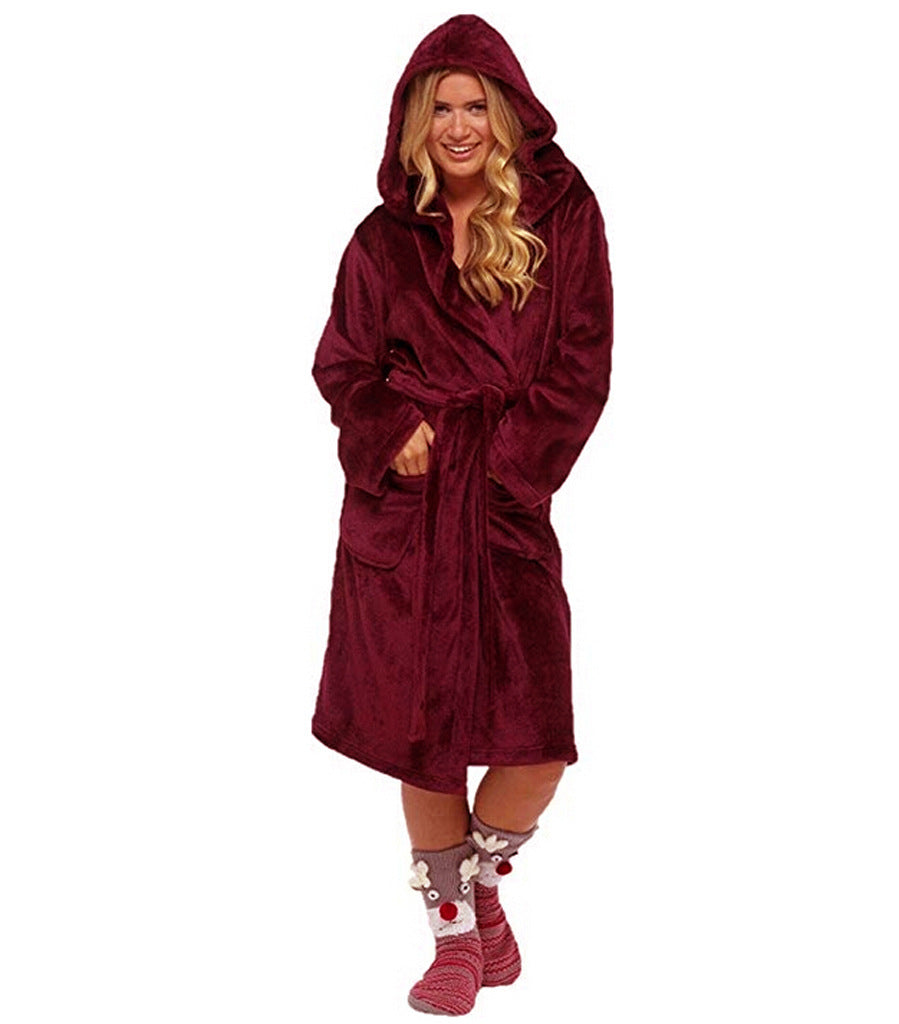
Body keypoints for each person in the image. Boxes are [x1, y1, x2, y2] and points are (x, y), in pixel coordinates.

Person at [310, 14, 613, 1016]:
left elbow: (582, 362)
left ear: (507, 113)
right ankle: (452, 935)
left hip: (504, 503)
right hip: (406, 515)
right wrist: (389, 425)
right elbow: (342, 366)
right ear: (413, 123)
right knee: (423, 733)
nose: (457, 125)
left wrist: (511, 471)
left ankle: (479, 884)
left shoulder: (565, 215)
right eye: (438, 108)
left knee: (536, 745)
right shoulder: (380, 241)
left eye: (474, 106)